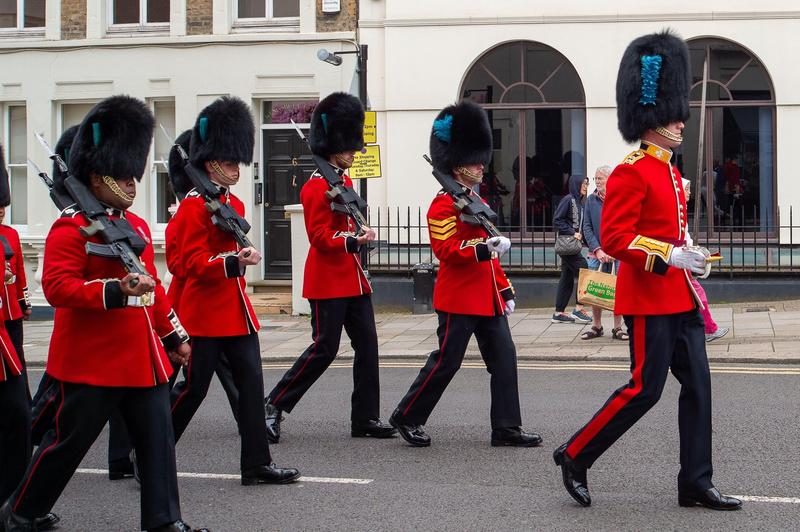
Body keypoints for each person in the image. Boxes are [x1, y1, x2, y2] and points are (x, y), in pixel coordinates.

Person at [553, 31, 741, 511]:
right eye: (672, 114)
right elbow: (615, 237)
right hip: (648, 298)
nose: (681, 121)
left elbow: (674, 231)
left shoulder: (673, 173)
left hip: (680, 297)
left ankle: (695, 482)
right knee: (643, 390)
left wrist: (691, 254)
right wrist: (667, 255)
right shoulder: (630, 170)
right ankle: (575, 455)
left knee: (699, 386)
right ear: (652, 120)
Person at [0, 95, 207, 531]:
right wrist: (114, 290)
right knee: (65, 446)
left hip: (141, 360)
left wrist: (174, 336)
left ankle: (164, 522)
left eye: (135, 174)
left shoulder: (135, 228)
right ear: (97, 177)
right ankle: (22, 511)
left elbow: (155, 291)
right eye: (123, 176)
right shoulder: (70, 226)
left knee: (157, 442)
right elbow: (57, 288)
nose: (133, 184)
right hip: (92, 362)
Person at [389, 100, 542, 448]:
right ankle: (407, 414)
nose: (481, 166)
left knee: (505, 359)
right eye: (475, 161)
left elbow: (491, 258)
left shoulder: (475, 200)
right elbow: (446, 250)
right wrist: (485, 249)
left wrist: (504, 289)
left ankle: (506, 427)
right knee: (446, 362)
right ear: (456, 164)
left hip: (486, 298)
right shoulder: (443, 204)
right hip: (458, 298)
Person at [168, 96, 299, 485]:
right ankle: (152, 453)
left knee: (250, 389)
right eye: (229, 162)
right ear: (210, 163)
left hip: (236, 314)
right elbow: (184, 264)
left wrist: (239, 256)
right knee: (192, 391)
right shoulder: (193, 208)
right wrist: (231, 263)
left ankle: (256, 463)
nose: (236, 169)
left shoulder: (233, 202)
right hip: (204, 316)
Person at [264, 92, 396, 442]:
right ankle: (274, 404)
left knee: (368, 346)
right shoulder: (315, 187)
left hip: (353, 279)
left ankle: (365, 417)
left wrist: (359, 232)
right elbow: (320, 237)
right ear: (332, 146)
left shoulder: (343, 183)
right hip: (327, 281)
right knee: (325, 349)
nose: (353, 153)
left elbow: (345, 225)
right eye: (349, 148)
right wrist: (355, 240)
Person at [0, 148, 40, 528]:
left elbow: (15, 276)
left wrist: (23, 302)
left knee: (18, 411)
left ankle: (17, 496)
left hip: (8, 324)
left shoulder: (9, 234)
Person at [580, 165, 627, 341]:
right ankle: (597, 326)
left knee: (618, 291)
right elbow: (587, 228)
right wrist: (598, 250)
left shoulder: (619, 198)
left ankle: (617, 328)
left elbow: (623, 226)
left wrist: (615, 249)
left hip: (617, 253)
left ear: (610, 179)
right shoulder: (591, 200)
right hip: (596, 254)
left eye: (601, 178)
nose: (597, 182)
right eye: (596, 178)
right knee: (595, 291)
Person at [682, 178, 729, 343]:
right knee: (698, 296)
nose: (689, 193)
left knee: (694, 298)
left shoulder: (681, 209)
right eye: (687, 189)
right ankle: (708, 330)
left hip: (683, 262)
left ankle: (704, 329)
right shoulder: (678, 210)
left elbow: (685, 238)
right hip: (680, 263)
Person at [0, 159, 32, 400]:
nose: (1, 210)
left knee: (17, 358)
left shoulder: (11, 234)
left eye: (3, 205)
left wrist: (23, 302)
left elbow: (19, 271)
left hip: (13, 309)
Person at [552, 174, 592, 324]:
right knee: (584, 269)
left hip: (572, 246)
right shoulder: (569, 199)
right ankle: (578, 308)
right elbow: (557, 220)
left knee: (567, 278)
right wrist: (572, 232)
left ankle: (558, 312)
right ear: (576, 184)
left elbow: (581, 228)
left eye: (587, 184)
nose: (585, 187)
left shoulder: (580, 203)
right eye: (583, 184)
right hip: (567, 245)